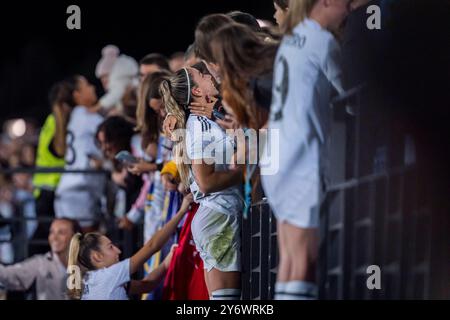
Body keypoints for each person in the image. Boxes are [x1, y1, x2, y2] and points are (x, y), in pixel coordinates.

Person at [261, 0, 349, 300]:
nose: (348, 9)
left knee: (289, 257)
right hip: (300, 157)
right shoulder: (321, 40)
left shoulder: (290, 38)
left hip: (276, 155)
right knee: (303, 259)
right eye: (345, 3)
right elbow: (349, 95)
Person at [160, 67, 244, 300]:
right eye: (201, 74)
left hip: (217, 216)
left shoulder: (204, 119)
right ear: (196, 90)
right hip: (218, 217)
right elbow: (205, 182)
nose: (208, 74)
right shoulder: (201, 126)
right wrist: (246, 173)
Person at [67, 193, 193, 300]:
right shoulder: (108, 276)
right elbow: (152, 246)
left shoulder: (90, 280)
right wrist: (182, 212)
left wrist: (166, 263)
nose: (118, 250)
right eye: (110, 247)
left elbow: (146, 285)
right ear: (97, 257)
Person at [54, 75, 105, 232]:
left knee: (74, 249)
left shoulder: (73, 115)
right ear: (77, 95)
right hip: (81, 189)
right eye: (87, 85)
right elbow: (113, 135)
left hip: (66, 189)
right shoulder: (87, 116)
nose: (93, 87)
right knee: (87, 248)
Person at [0, 218, 81, 300]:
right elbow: (10, 275)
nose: (54, 238)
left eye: (61, 232)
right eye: (52, 232)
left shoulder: (87, 265)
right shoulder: (41, 263)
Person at [95, 45, 139, 114]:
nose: (104, 81)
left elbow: (115, 94)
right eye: (102, 78)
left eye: (106, 76)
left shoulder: (118, 83)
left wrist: (96, 107)